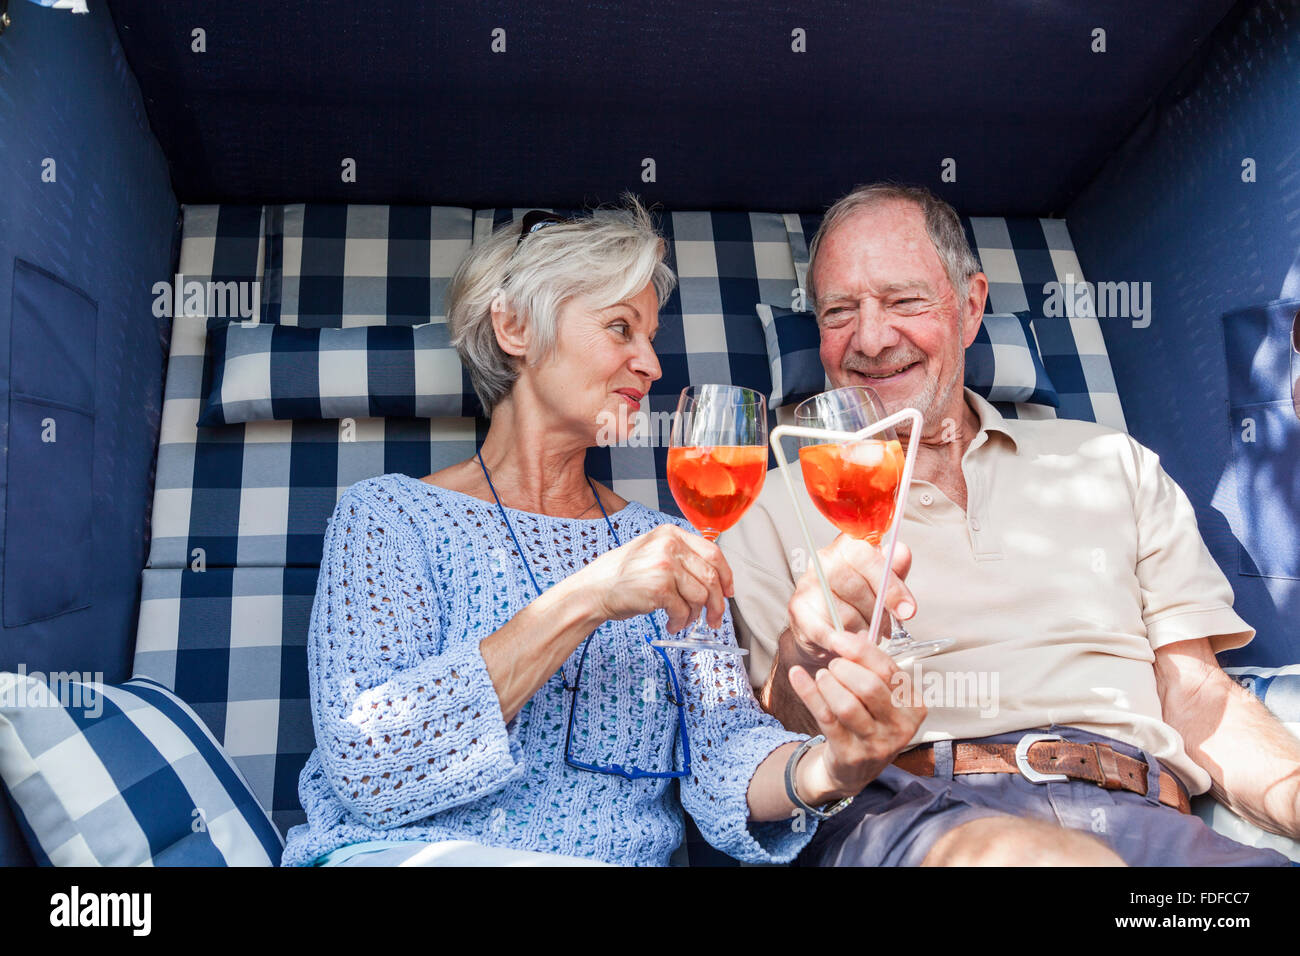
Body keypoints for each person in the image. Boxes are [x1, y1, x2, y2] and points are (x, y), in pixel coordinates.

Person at [280, 198, 915, 868]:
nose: (652, 364)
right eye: (621, 328)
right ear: (515, 325)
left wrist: (831, 770)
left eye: (651, 338)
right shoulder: (388, 517)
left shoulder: (667, 540)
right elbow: (367, 764)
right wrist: (589, 597)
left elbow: (727, 751)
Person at [720, 182, 1299, 866]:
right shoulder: (763, 505)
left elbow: (1196, 695)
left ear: (969, 308)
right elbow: (760, 740)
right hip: (916, 814)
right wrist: (804, 654)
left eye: (904, 301)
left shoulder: (1110, 461)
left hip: (1151, 816)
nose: (871, 340)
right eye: (839, 311)